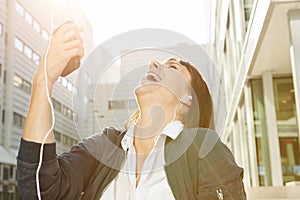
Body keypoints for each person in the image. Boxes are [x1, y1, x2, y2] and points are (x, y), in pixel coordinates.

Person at [17, 22, 247, 200]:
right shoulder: (105, 147)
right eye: (159, 63)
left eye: (173, 67)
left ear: (188, 100)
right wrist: (44, 80)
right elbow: (39, 190)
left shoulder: (203, 148)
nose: (154, 64)